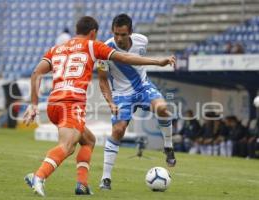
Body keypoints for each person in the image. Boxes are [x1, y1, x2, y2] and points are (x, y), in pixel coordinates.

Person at [23, 16, 176, 197]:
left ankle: (82, 185)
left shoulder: (56, 49)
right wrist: (158, 62)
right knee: (67, 146)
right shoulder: (93, 46)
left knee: (89, 140)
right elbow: (125, 58)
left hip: (53, 103)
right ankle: (39, 176)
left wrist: (33, 104)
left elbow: (36, 73)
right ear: (93, 33)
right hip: (71, 103)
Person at [97, 14, 176, 190]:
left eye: (123, 34)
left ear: (130, 32)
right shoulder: (104, 50)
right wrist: (110, 102)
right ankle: (106, 178)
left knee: (163, 108)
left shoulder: (142, 41)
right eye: (116, 33)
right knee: (118, 130)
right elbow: (102, 80)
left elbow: (137, 61)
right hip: (121, 94)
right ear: (112, 31)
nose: (119, 38)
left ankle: (168, 146)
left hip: (143, 87)